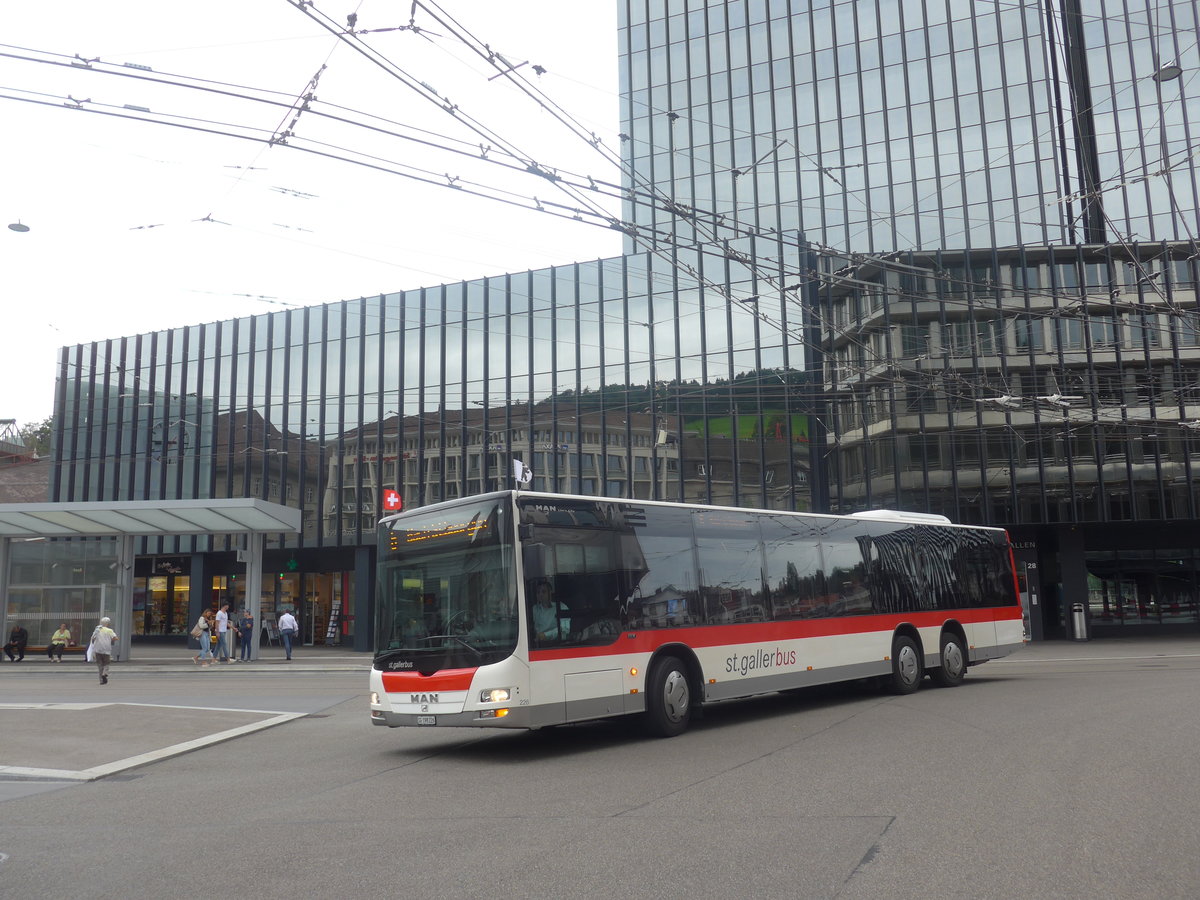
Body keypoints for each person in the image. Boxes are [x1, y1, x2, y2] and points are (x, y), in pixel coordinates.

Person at [90, 617, 118, 685]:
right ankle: (105, 673)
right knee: (106, 663)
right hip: (106, 649)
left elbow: (93, 639)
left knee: (100, 665)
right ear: (108, 623)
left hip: (98, 649)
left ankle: (101, 681)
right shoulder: (109, 630)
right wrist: (109, 639)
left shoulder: (97, 630)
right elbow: (115, 638)